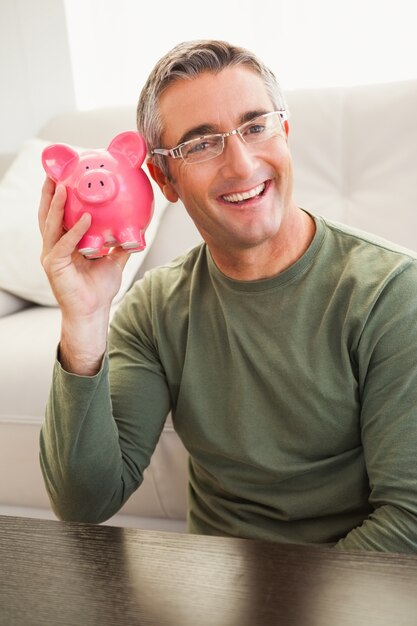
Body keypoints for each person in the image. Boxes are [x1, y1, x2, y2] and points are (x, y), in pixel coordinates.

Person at [39, 39, 417, 553]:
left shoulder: (392, 293)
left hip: (352, 590)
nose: (241, 164)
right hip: (218, 589)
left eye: (256, 126)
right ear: (163, 179)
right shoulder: (154, 308)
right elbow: (84, 503)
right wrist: (83, 320)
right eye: (201, 143)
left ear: (285, 133)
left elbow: (409, 520)